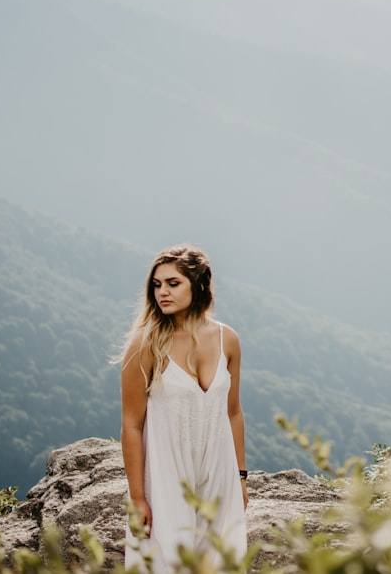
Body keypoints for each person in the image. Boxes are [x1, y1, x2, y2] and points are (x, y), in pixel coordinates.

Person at [119, 245, 248, 572]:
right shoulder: (145, 343)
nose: (162, 292)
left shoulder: (227, 339)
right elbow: (132, 424)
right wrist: (137, 498)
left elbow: (233, 412)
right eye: (157, 284)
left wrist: (241, 477)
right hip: (166, 474)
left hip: (218, 473)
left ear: (199, 285)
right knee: (168, 563)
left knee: (219, 562)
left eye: (173, 283)